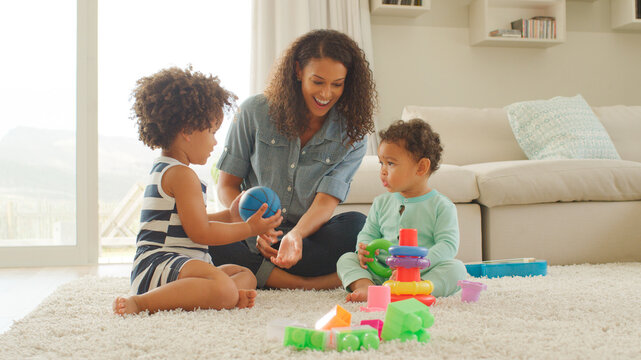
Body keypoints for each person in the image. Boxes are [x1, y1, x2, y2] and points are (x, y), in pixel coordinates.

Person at [209, 29, 377, 290]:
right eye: (318, 81)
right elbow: (227, 185)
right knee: (204, 237)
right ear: (298, 71)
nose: (326, 93)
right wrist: (252, 228)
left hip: (306, 237)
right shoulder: (254, 111)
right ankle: (306, 283)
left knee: (356, 226)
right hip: (252, 231)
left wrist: (296, 235)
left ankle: (262, 274)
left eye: (337, 84)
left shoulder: (352, 134)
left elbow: (325, 203)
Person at [113, 66, 283, 316]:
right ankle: (142, 303)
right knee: (225, 287)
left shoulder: (170, 169)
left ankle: (217, 295)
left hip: (181, 266)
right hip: (160, 265)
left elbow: (189, 223)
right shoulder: (182, 175)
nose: (215, 141)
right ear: (188, 131)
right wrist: (249, 229)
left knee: (244, 275)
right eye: (212, 132)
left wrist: (230, 215)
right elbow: (201, 232)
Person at [337, 119, 468, 302]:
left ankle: (418, 288)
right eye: (381, 163)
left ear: (421, 167)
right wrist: (365, 250)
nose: (383, 170)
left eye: (390, 163)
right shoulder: (381, 202)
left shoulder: (441, 206)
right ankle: (366, 287)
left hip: (421, 272)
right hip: (382, 271)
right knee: (346, 259)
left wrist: (416, 266)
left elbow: (447, 245)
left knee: (457, 269)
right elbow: (368, 233)